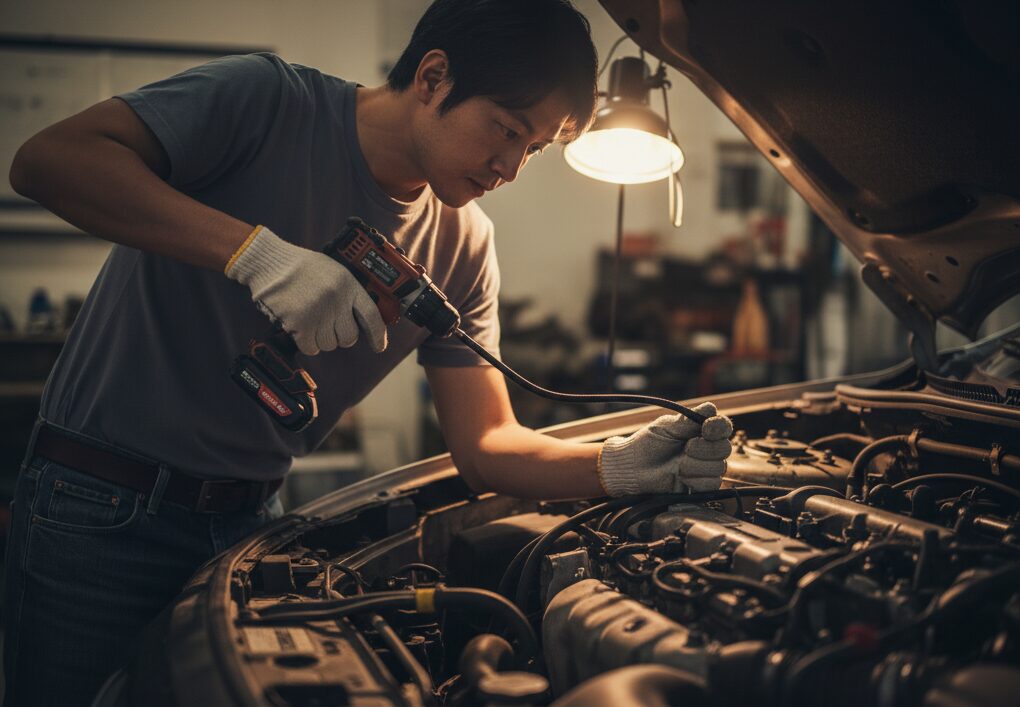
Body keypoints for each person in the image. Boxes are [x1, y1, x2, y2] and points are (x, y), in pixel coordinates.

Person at [3, 0, 732, 703]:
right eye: (506, 130)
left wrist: (616, 464)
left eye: (534, 149)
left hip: (248, 527)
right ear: (433, 76)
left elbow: (486, 444)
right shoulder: (265, 102)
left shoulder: (464, 248)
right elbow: (48, 160)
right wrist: (253, 255)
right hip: (96, 509)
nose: (510, 168)